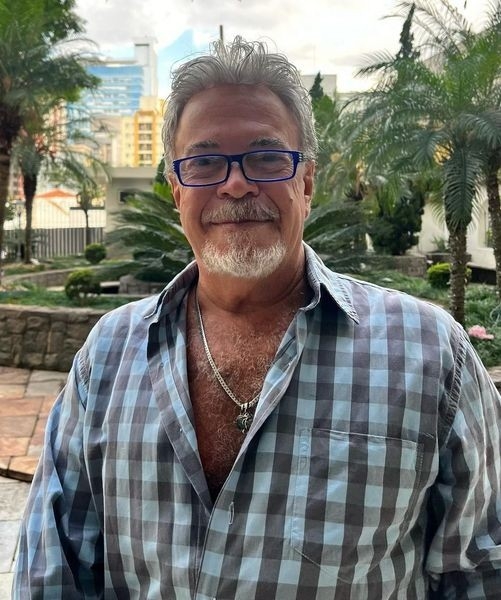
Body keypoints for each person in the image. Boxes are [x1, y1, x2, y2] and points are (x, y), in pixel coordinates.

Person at [13, 37, 501, 599]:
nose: (236, 183)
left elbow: (482, 571)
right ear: (176, 191)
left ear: (306, 183)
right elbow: (54, 569)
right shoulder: (108, 356)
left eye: (266, 157)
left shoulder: (430, 354)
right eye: (204, 162)